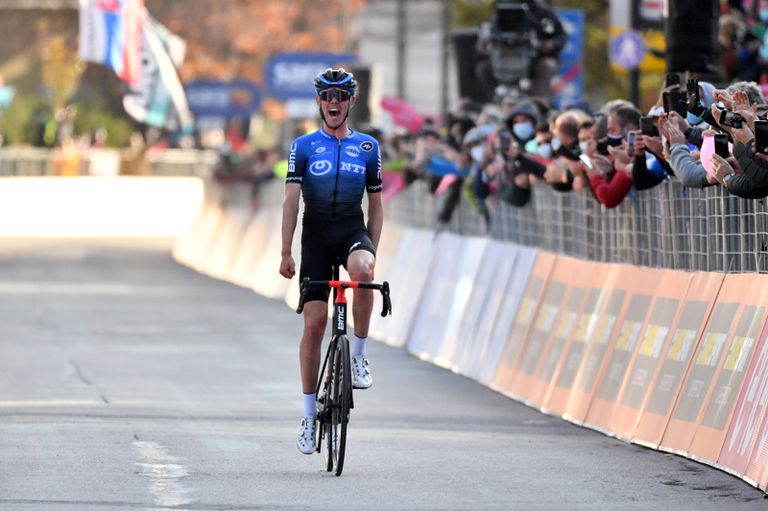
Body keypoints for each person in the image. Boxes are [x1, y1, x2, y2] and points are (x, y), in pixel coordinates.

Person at [278, 68, 384, 455]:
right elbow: (291, 200)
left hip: (351, 228)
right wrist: (286, 250)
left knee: (363, 272)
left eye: (342, 96)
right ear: (319, 102)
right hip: (317, 235)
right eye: (328, 96)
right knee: (315, 324)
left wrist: (370, 247)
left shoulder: (369, 147)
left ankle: (358, 355)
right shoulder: (303, 146)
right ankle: (308, 415)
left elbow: (376, 204)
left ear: (352, 101)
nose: (334, 102)